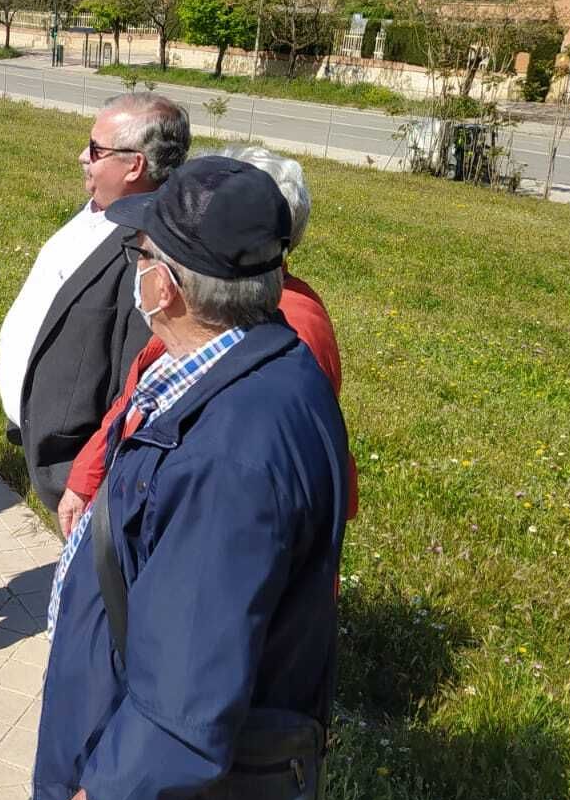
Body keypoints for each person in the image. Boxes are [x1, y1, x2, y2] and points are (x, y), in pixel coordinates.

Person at [32, 156, 351, 800]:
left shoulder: (229, 447)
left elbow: (190, 680)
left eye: (141, 254)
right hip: (194, 787)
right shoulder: (263, 365)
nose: (135, 269)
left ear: (166, 287)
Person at [59, 145, 357, 537]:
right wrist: (88, 475)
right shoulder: (207, 315)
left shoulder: (289, 328)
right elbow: (137, 399)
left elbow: (254, 504)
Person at [0, 93, 188, 510]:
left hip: (82, 475)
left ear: (135, 164)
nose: (83, 156)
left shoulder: (147, 249)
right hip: (52, 454)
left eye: (97, 149)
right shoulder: (102, 208)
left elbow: (135, 382)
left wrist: (90, 477)